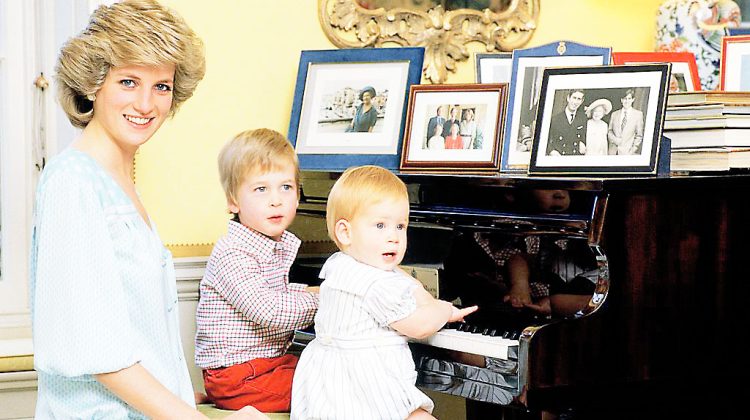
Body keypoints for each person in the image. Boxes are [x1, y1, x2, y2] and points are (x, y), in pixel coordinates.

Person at [29, 1, 262, 418]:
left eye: (162, 86)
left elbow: (139, 335)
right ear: (93, 84)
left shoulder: (118, 180)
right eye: (129, 81)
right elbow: (97, 347)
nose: (146, 104)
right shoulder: (73, 182)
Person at [291, 165, 477, 420]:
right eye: (380, 225)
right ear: (345, 232)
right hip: (367, 390)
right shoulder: (376, 286)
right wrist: (444, 309)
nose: (393, 237)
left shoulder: (340, 264)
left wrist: (426, 298)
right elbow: (420, 327)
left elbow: (404, 281)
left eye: (400, 226)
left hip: (331, 389)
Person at [195, 128, 320, 412]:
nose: (276, 199)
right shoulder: (233, 253)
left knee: (333, 366)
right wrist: (327, 298)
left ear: (298, 195)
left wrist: (311, 291)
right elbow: (270, 309)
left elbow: (276, 291)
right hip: (236, 376)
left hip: (264, 364)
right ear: (233, 201)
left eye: (286, 187)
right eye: (261, 189)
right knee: (328, 385)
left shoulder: (268, 245)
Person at [546, 89, 587, 156]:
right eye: (574, 98)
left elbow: (584, 137)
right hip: (559, 157)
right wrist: (551, 151)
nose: (575, 102)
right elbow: (545, 140)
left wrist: (583, 143)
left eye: (579, 99)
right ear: (568, 98)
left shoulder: (583, 119)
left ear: (582, 101)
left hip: (574, 158)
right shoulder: (555, 119)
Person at [608, 88, 644, 155]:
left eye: (629, 98)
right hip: (612, 152)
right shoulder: (614, 114)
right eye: (624, 98)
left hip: (627, 153)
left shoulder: (638, 115)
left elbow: (639, 136)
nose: (626, 101)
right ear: (621, 100)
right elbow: (609, 131)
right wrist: (615, 139)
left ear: (633, 100)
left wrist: (631, 151)